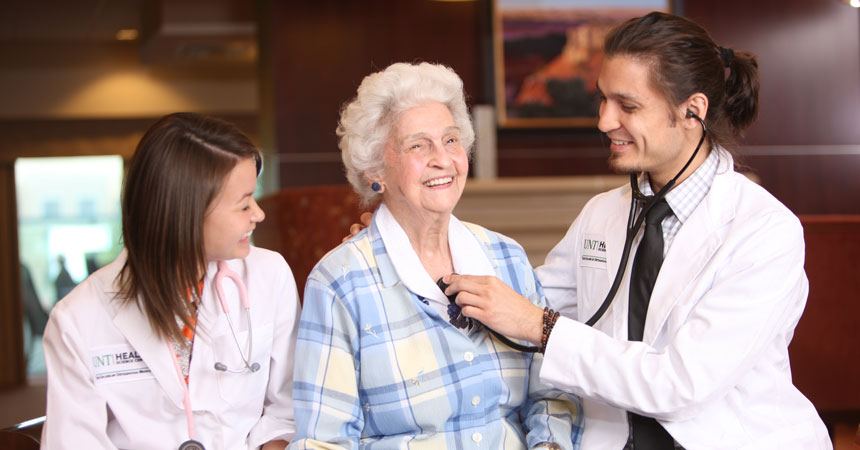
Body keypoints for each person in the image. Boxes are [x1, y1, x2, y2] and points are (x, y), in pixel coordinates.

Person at [444, 12, 831, 450]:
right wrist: (420, 240)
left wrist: (543, 327)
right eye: (603, 100)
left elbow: (680, 384)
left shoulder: (764, 230)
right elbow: (525, 297)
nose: (604, 121)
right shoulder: (602, 213)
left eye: (627, 106)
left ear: (692, 110)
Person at [290, 62, 583, 450]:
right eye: (418, 145)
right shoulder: (339, 283)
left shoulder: (507, 258)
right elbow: (322, 441)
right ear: (376, 168)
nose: (442, 158)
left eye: (450, 140)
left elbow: (552, 394)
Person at [41, 112, 300, 450]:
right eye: (243, 204)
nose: (258, 214)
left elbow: (286, 411)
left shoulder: (269, 276)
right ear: (187, 212)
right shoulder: (77, 318)